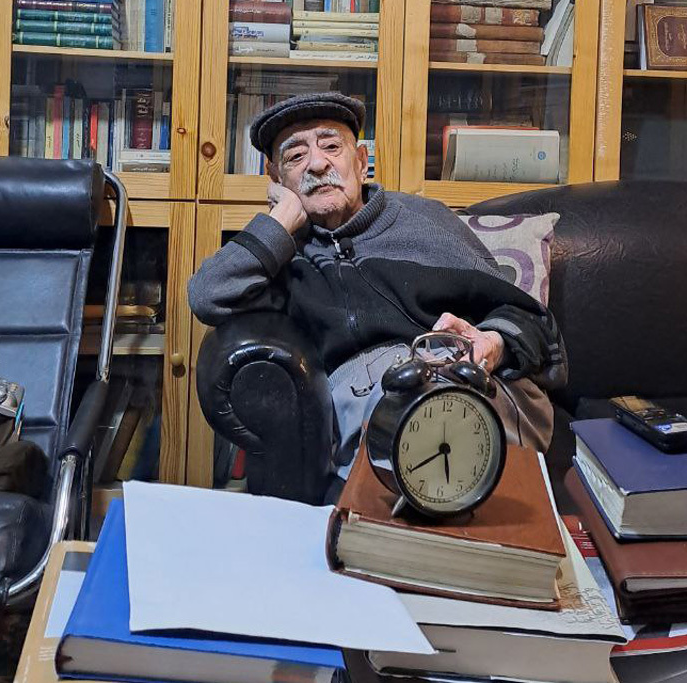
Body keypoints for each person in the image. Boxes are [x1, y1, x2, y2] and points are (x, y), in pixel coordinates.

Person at [188, 92, 567, 490]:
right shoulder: (280, 252)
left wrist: (494, 342)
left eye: (331, 147)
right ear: (276, 179)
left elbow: (528, 317)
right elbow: (207, 295)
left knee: (441, 417)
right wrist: (280, 220)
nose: (317, 164)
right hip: (366, 402)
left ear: (361, 162)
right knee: (398, 418)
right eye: (296, 157)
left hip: (466, 381)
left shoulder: (424, 220)